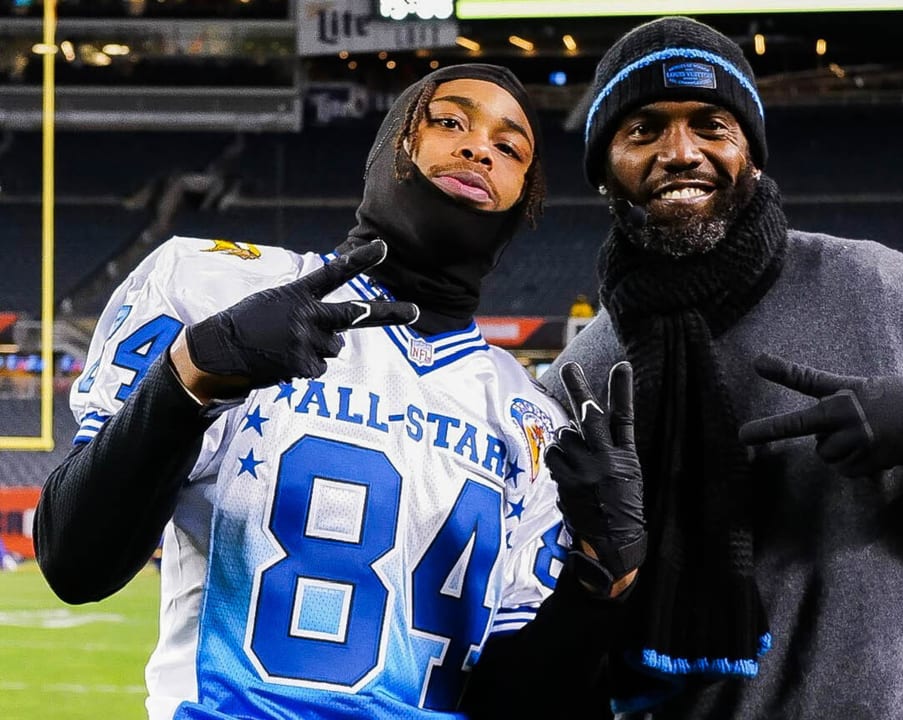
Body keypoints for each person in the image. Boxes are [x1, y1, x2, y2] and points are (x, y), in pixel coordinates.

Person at [34, 65, 645, 720]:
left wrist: (598, 580)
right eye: (449, 121)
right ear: (391, 146)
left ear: (525, 198)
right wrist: (191, 375)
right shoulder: (220, 286)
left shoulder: (530, 420)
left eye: (510, 147)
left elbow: (510, 705)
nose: (478, 148)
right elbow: (76, 561)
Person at [544, 16, 903, 719]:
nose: (680, 153)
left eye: (712, 125)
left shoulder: (882, 290)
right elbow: (548, 655)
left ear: (752, 154)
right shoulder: (582, 378)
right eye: (643, 130)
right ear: (603, 170)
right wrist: (598, 571)